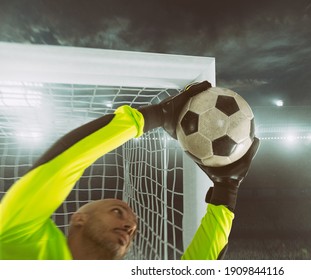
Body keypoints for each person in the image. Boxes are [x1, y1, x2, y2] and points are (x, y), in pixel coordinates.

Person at [0, 81, 259, 260]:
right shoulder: (20, 234)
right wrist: (156, 116)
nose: (130, 225)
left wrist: (227, 188)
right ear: (79, 218)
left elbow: (65, 161)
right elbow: (61, 165)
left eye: (129, 222)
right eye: (118, 212)